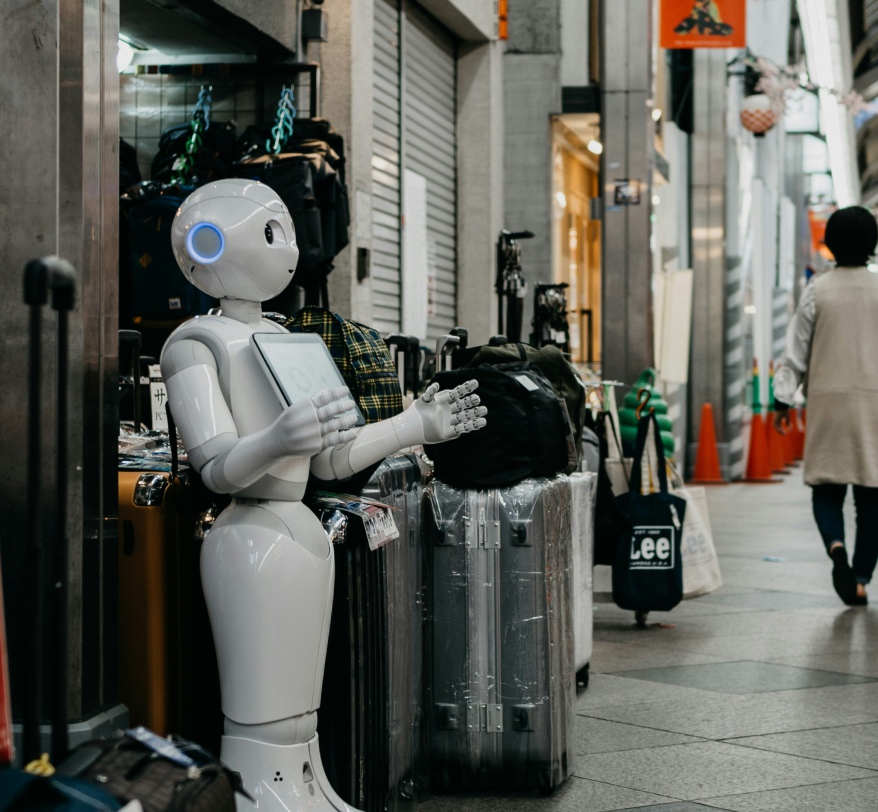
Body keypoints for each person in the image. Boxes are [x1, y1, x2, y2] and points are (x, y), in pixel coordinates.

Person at [775, 206, 878, 607]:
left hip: (828, 403)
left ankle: (837, 550)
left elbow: (796, 352)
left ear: (830, 243)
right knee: (872, 496)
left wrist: (782, 399)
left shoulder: (818, 289)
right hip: (874, 406)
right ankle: (861, 578)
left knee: (826, 489)